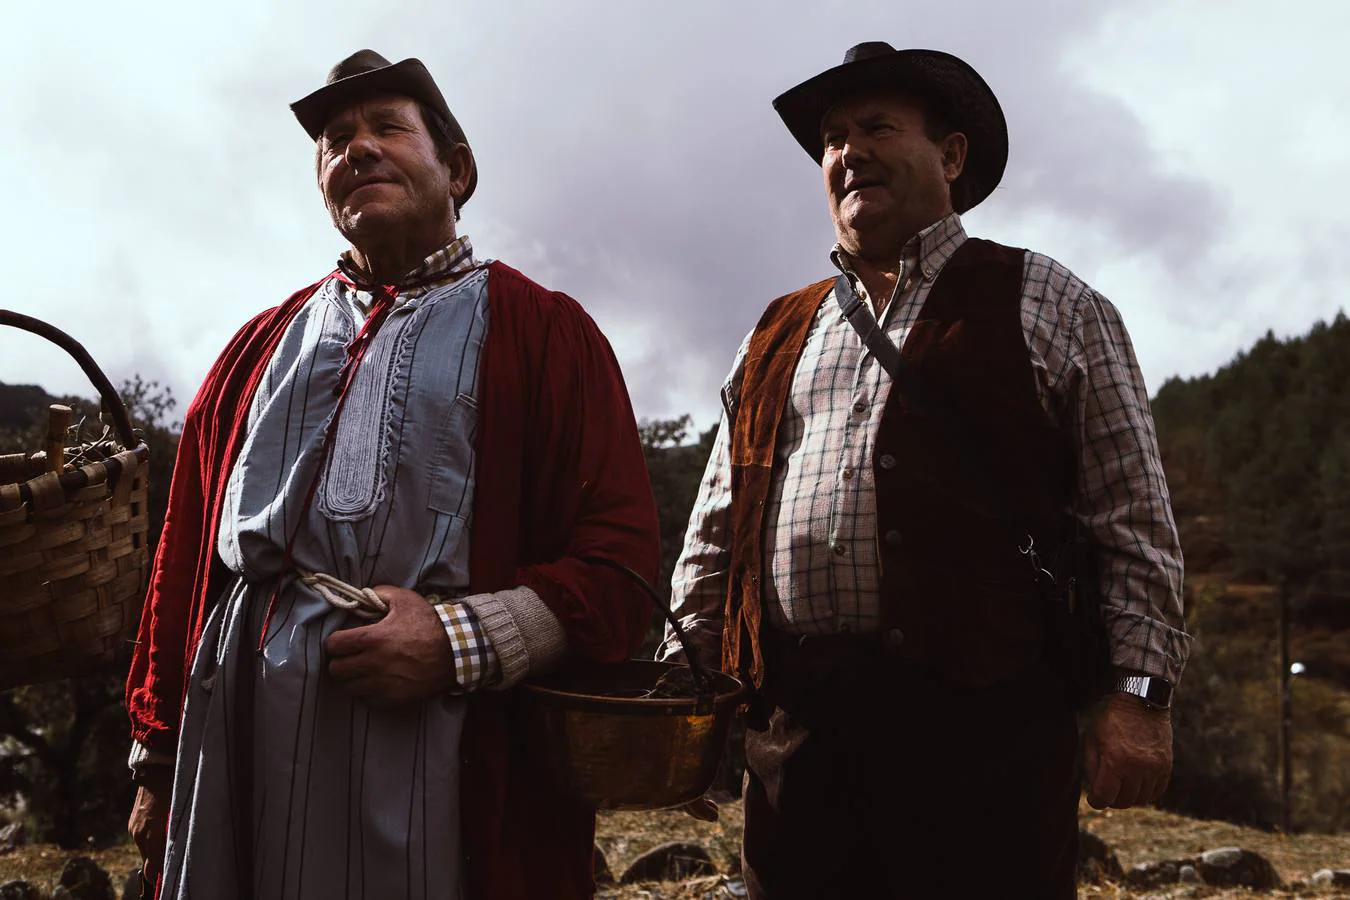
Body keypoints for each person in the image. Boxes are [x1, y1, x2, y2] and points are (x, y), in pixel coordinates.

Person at [124, 49, 659, 900]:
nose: (357, 149)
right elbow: (185, 551)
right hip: (237, 752)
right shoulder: (256, 349)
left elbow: (621, 568)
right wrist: (155, 756)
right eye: (336, 140)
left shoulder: (546, 333)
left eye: (386, 129)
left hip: (440, 750)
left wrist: (456, 643)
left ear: (456, 169)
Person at [661, 42, 1190, 898]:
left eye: (877, 127)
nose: (847, 152)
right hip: (798, 748)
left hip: (990, 742)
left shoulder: (1049, 299)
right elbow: (718, 530)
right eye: (832, 137)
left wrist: (1140, 698)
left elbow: (1131, 519)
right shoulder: (775, 330)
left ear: (950, 156)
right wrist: (681, 700)